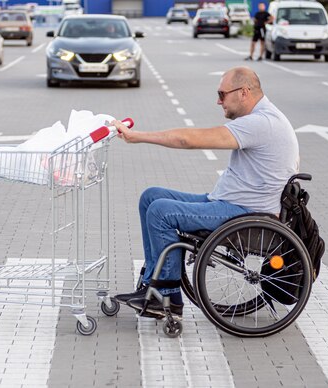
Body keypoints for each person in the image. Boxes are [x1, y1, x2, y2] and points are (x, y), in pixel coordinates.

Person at [110, 67, 299, 318]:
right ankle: (151, 284)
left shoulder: (261, 123)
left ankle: (167, 296)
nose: (218, 101)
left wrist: (138, 137)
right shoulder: (264, 117)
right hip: (230, 203)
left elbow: (188, 140)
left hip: (245, 213)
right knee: (151, 197)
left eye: (222, 94)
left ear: (243, 92)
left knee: (161, 212)